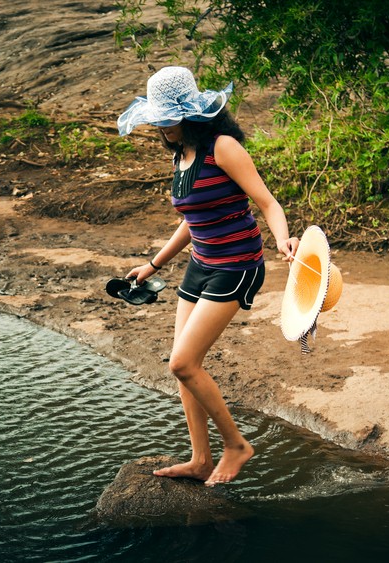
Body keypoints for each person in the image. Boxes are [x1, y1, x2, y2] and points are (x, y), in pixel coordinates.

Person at [117, 66, 299, 485]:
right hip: (201, 264)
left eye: (168, 117)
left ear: (189, 111)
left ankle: (237, 446)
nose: (161, 126)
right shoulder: (180, 155)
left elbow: (268, 204)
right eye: (158, 118)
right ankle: (200, 459)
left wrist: (283, 241)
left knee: (183, 363)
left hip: (236, 265)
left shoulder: (224, 147)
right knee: (183, 365)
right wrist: (153, 264)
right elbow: (193, 218)